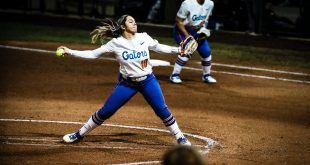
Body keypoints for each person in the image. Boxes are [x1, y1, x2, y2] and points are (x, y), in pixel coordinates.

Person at [59, 15, 191, 146]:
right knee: (106, 111)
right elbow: (93, 54)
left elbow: (158, 47)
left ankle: (180, 137)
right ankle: (79, 134)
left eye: (135, 21)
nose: (134, 23)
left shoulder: (143, 37)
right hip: (128, 84)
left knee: (162, 110)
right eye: (130, 21)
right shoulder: (116, 43)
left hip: (148, 81)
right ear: (123, 26)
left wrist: (178, 50)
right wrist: (70, 51)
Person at [170, 0, 217, 84]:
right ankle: (174, 75)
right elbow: (178, 21)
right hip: (181, 30)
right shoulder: (187, 3)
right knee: (187, 50)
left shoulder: (210, 3)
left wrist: (203, 29)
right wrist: (188, 36)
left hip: (196, 31)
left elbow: (207, 18)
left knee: (206, 52)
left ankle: (206, 75)